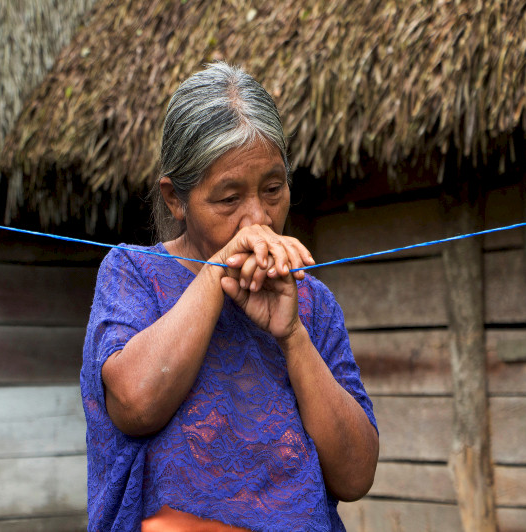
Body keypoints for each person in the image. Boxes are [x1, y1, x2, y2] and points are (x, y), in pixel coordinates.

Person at [80, 62, 379, 531]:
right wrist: (215, 277)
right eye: (228, 199)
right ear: (176, 199)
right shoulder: (134, 274)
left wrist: (293, 335)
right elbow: (134, 406)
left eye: (273, 190)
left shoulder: (312, 303)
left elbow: (356, 476)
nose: (257, 218)